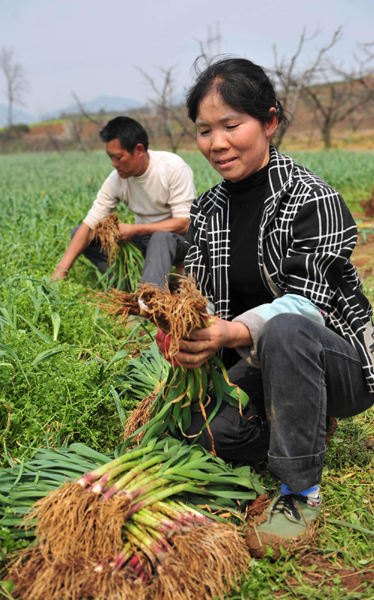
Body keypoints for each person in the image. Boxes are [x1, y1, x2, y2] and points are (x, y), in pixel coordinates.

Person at [171, 57, 374, 557]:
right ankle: (296, 423)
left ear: (269, 122)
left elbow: (309, 306)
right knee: (194, 429)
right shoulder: (208, 208)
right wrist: (185, 334)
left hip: (337, 360)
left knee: (284, 327)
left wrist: (230, 334)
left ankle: (299, 490)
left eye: (231, 125)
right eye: (203, 130)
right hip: (259, 362)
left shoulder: (311, 197)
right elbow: (201, 297)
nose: (216, 143)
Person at [52, 116, 196, 288]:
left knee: (160, 238)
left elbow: (184, 223)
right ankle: (130, 279)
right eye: (110, 157)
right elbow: (90, 224)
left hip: (177, 242)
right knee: (81, 233)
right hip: (143, 242)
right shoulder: (116, 180)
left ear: (139, 150)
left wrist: (136, 230)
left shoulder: (172, 168)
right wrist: (61, 271)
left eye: (118, 157)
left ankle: (149, 300)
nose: (114, 164)